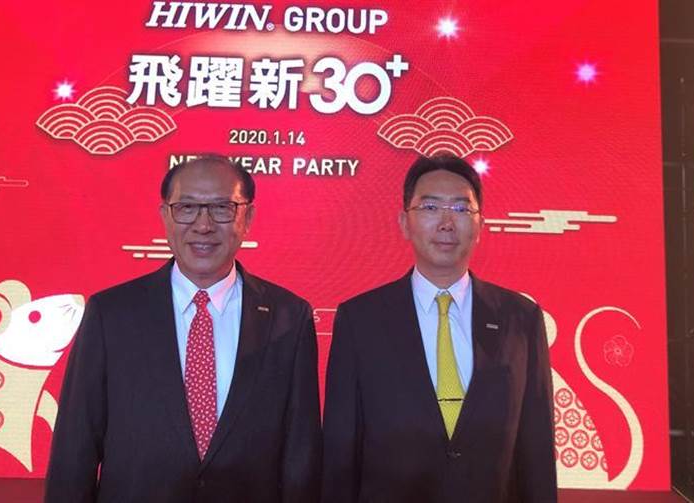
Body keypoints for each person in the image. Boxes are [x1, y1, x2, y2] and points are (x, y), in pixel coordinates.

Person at [45, 155, 321, 502]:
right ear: (165, 216)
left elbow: (300, 455)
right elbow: (75, 448)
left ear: (247, 217)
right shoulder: (111, 314)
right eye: (187, 208)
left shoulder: (288, 318)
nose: (203, 225)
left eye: (222, 208)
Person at [321, 154, 557, 502]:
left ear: (480, 225)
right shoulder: (360, 320)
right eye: (430, 207)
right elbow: (340, 452)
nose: (447, 222)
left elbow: (536, 449)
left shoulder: (521, 319)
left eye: (461, 209)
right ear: (404, 223)